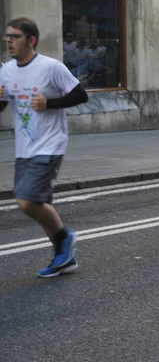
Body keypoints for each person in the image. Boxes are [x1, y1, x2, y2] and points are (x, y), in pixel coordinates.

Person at [0, 17, 89, 277]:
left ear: (31, 40)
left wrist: (49, 103)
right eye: (7, 36)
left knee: (27, 201)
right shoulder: (6, 70)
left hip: (50, 143)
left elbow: (80, 94)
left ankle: (64, 238)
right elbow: (3, 106)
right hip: (24, 146)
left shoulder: (51, 67)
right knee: (34, 202)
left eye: (14, 36)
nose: (9, 41)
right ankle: (64, 256)